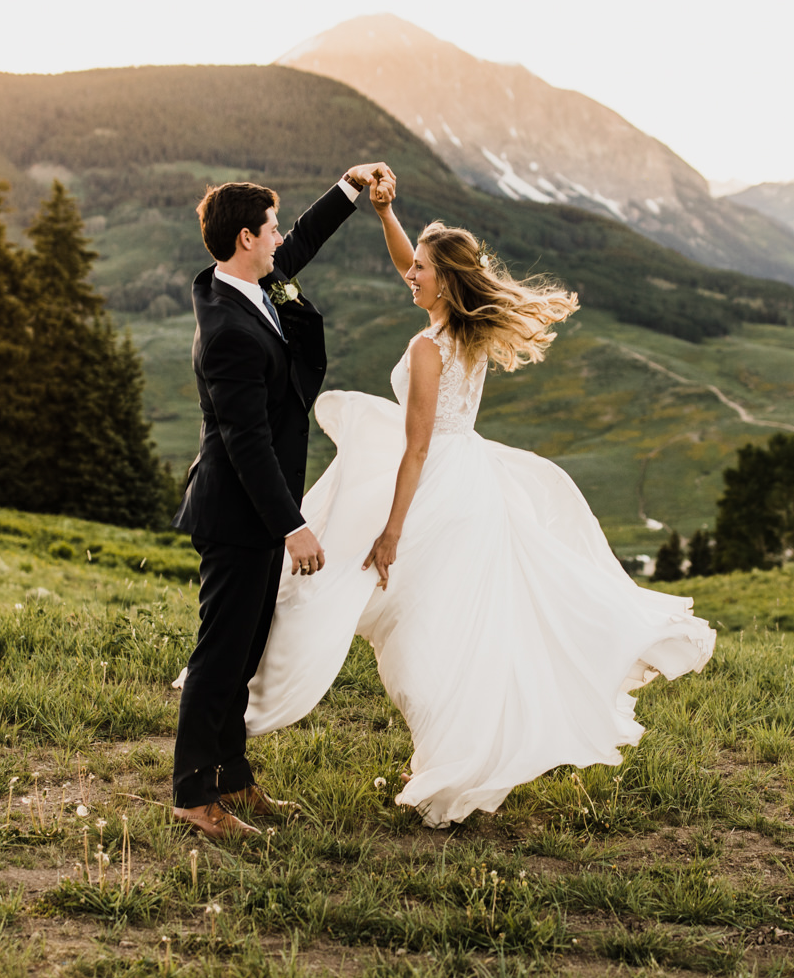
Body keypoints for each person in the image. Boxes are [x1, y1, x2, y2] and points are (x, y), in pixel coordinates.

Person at [239, 189, 716, 826]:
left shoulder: (427, 348)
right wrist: (386, 217)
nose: (410, 275)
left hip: (434, 486)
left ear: (444, 282)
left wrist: (391, 533)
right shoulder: (464, 330)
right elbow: (418, 266)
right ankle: (447, 751)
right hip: (473, 483)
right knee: (448, 627)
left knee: (396, 622)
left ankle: (274, 694)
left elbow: (414, 452)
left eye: (421, 272)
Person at [170, 162, 397, 841]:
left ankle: (233, 777)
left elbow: (298, 246)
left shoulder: (246, 282)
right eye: (269, 227)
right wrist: (293, 525)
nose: (278, 237)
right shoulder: (230, 333)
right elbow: (245, 442)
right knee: (220, 656)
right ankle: (191, 795)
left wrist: (350, 189)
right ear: (245, 237)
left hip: (252, 513)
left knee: (245, 652)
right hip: (238, 514)